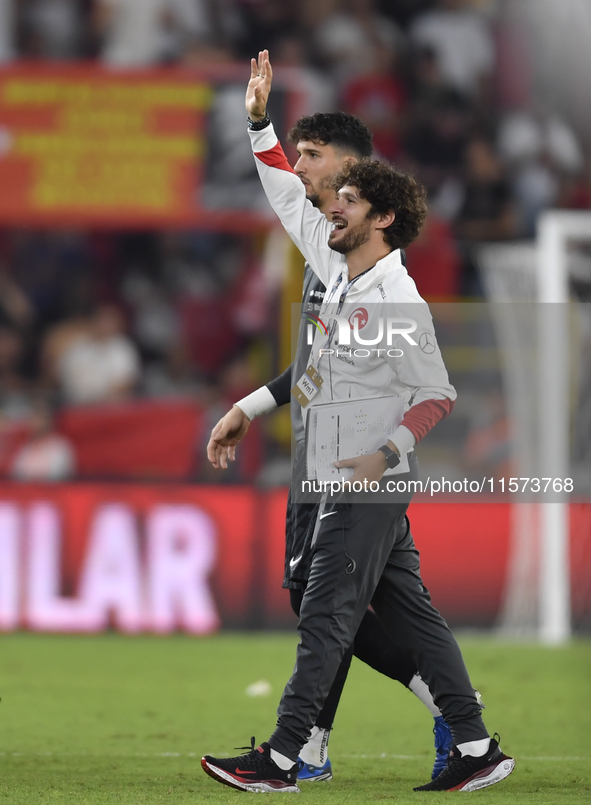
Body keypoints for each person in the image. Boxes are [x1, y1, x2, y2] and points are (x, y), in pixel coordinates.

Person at [201, 50, 515, 794]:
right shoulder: (337, 266)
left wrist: (385, 450)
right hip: (333, 468)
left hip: (362, 476)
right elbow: (285, 203)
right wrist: (249, 409)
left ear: (377, 213)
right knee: (398, 614)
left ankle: (288, 755)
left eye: (340, 193)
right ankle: (471, 740)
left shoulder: (395, 297)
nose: (324, 206)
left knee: (325, 615)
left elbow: (435, 394)